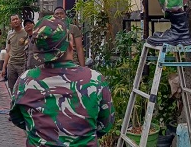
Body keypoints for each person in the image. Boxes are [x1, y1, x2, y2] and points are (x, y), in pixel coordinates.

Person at [10, 16, 114, 146]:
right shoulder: (94, 80)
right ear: (70, 45)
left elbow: (17, 118)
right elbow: (105, 124)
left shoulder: (25, 81)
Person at [5, 14, 28, 91]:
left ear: (20, 20)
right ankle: (13, 102)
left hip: (23, 64)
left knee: (22, 87)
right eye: (13, 20)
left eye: (17, 19)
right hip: (12, 64)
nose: (15, 21)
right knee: (12, 87)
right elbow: (8, 51)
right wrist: (4, 67)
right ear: (10, 23)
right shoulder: (10, 34)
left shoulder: (26, 32)